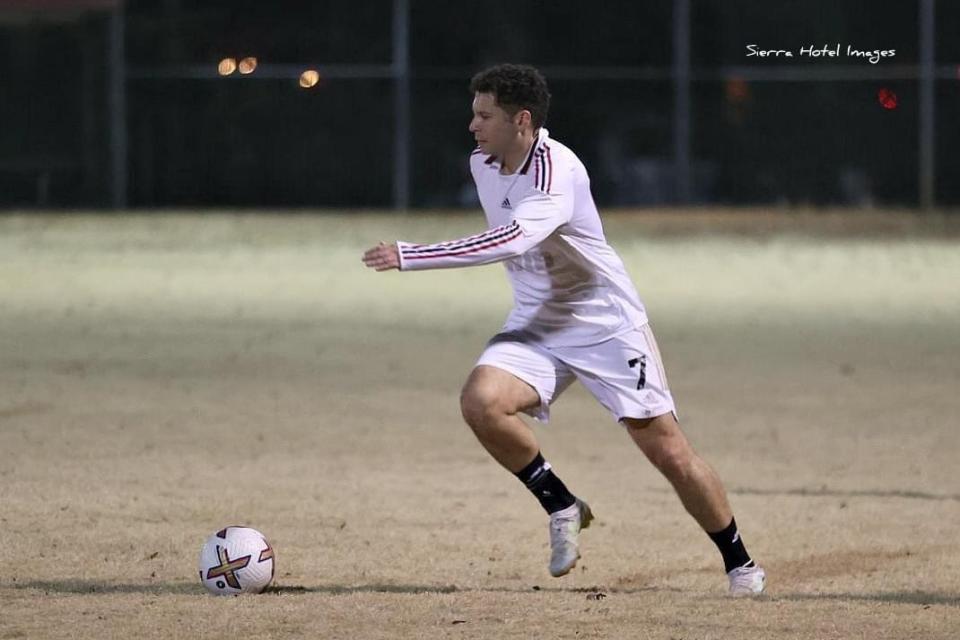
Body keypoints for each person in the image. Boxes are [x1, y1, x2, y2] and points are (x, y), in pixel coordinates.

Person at [362, 63, 765, 595]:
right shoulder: (483, 163)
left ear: (521, 121)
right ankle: (563, 504)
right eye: (474, 113)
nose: (473, 125)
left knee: (668, 451)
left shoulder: (558, 170)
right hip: (538, 321)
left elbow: (510, 240)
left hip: (603, 323)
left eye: (485, 115)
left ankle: (740, 564)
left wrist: (412, 255)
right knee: (481, 402)